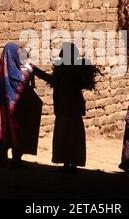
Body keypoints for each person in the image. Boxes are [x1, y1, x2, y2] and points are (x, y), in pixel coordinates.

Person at [32, 43, 100, 173]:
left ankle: (67, 163)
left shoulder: (66, 73)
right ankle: (72, 163)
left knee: (65, 136)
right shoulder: (76, 71)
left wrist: (36, 71)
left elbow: (53, 80)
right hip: (73, 110)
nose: (60, 56)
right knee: (73, 137)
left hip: (65, 109)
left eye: (62, 54)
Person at [0, 43, 42, 168]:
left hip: (10, 107)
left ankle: (7, 158)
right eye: (18, 53)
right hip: (16, 108)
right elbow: (20, 84)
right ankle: (10, 159)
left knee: (10, 130)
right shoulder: (15, 72)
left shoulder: (11, 70)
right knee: (14, 130)